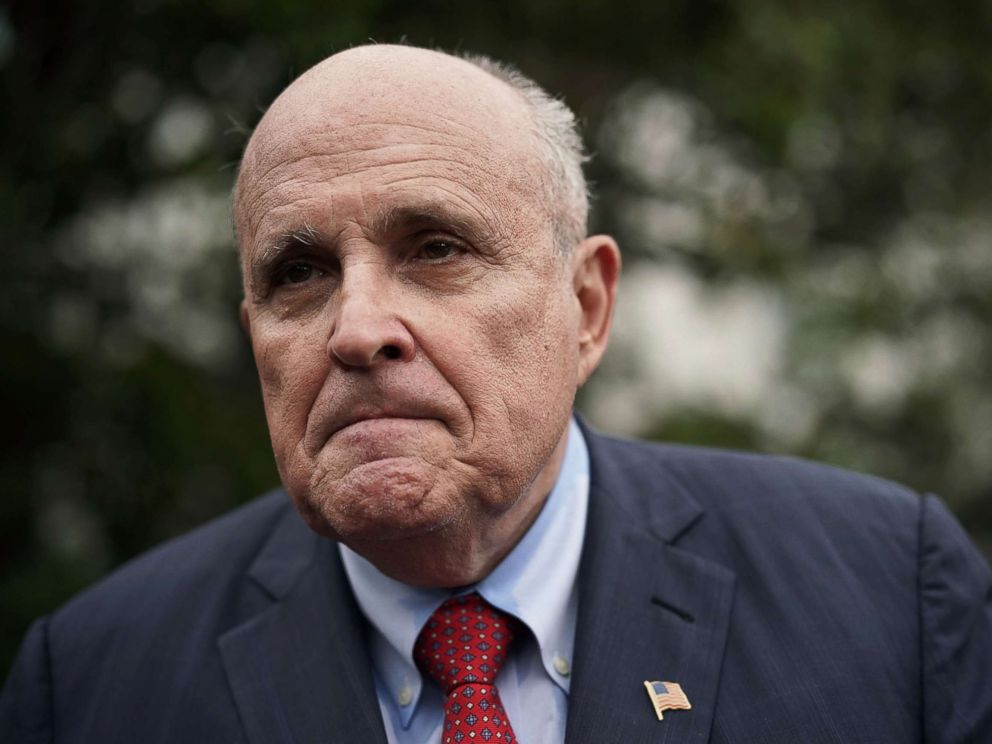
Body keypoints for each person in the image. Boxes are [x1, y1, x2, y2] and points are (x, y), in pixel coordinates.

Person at [2, 44, 990, 744]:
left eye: (435, 248)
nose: (355, 330)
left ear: (586, 307)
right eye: (298, 272)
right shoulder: (91, 683)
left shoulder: (886, 597)